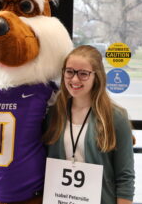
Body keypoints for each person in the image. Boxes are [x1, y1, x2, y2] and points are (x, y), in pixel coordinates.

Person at [43, 45, 135, 204]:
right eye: (69, 71)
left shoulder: (116, 117)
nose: (75, 79)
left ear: (96, 77)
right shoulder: (53, 114)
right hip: (59, 199)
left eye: (83, 74)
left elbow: (125, 177)